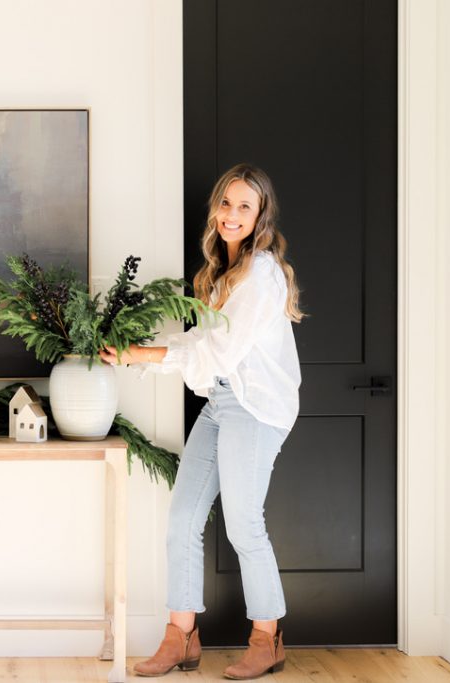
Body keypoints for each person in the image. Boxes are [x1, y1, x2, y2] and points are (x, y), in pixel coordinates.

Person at [99, 163, 304, 679]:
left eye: (245, 207)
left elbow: (219, 352)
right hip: (222, 403)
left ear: (260, 217)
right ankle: (181, 638)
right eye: (226, 204)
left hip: (256, 409)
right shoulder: (218, 275)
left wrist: (143, 355)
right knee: (182, 520)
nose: (232, 214)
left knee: (243, 525)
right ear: (215, 209)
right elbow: (202, 346)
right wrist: (134, 354)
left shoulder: (260, 274)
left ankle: (267, 638)